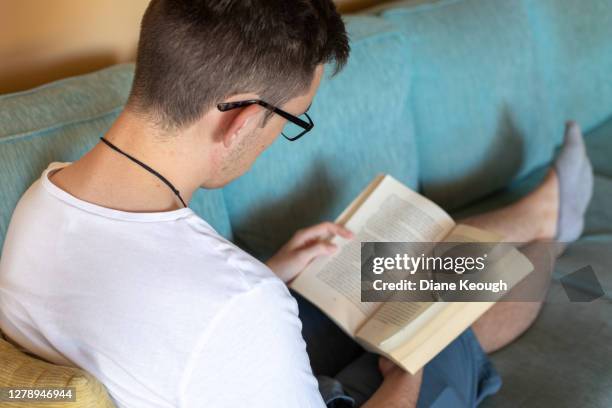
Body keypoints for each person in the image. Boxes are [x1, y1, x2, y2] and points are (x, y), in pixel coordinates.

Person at [0, 0, 593, 406]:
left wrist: (269, 274)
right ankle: (551, 230)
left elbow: (166, 320)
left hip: (199, 366)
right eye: (291, 119)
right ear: (242, 118)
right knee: (440, 327)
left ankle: (535, 216)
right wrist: (409, 377)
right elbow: (213, 310)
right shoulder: (239, 301)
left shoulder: (45, 194)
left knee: (366, 275)